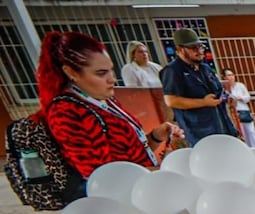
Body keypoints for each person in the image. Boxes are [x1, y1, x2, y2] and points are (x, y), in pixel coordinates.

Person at [37, 31, 182, 184]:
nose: (112, 79)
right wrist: (162, 172)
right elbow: (102, 179)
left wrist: (156, 136)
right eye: (101, 73)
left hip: (145, 185)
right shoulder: (66, 112)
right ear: (71, 72)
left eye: (111, 70)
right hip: (125, 197)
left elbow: (129, 153)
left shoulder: (104, 99)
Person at [161, 28, 235, 146]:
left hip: (222, 123)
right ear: (180, 49)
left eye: (200, 47)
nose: (199, 51)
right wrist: (204, 102)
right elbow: (171, 101)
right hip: (199, 130)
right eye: (193, 48)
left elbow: (217, 90)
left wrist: (226, 97)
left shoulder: (205, 68)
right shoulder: (173, 71)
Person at [221, 68, 255, 150]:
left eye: (232, 75)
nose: (231, 77)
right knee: (240, 133)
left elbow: (247, 98)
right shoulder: (223, 89)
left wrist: (238, 98)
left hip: (243, 110)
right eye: (228, 75)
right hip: (232, 112)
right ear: (224, 77)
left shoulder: (240, 85)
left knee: (250, 131)